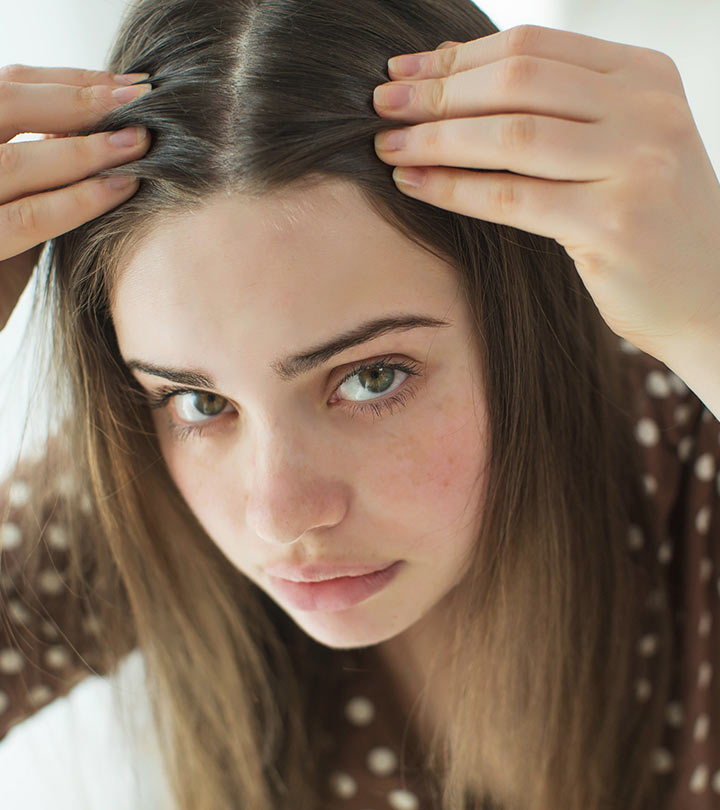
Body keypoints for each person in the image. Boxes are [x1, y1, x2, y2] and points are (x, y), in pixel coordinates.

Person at [0, 1, 718, 809]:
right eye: (200, 398)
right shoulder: (137, 482)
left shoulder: (692, 456)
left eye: (371, 377)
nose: (280, 514)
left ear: (524, 325)